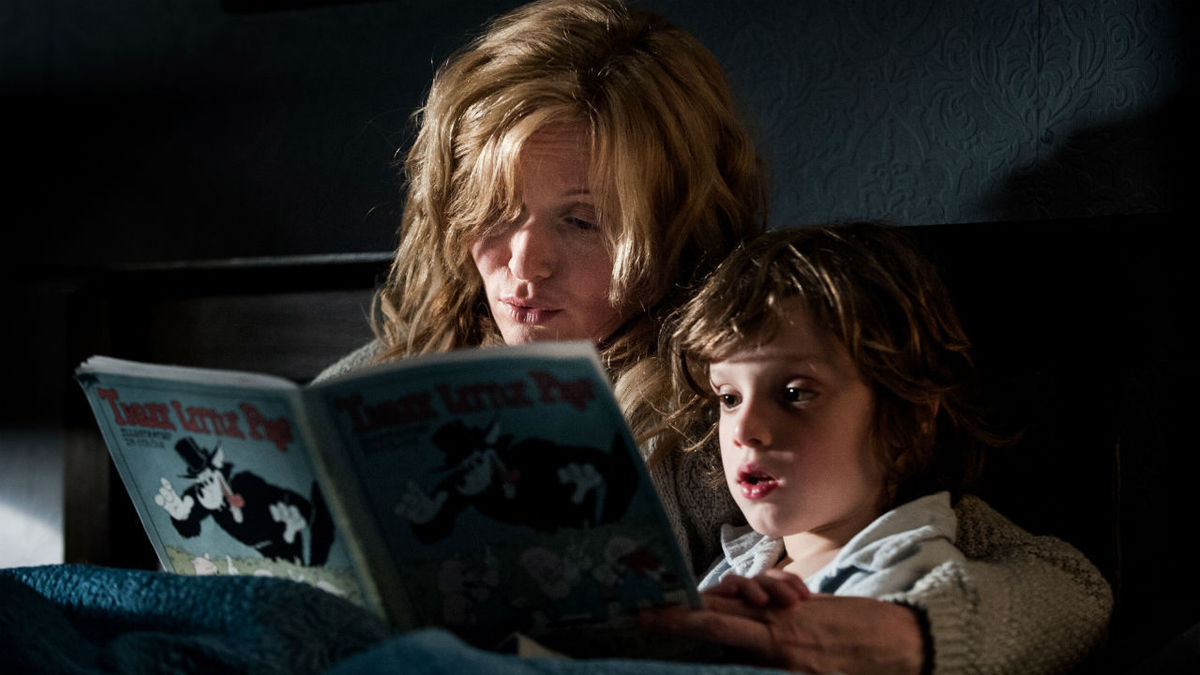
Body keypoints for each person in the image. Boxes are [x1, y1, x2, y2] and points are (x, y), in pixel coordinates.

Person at [317, 1, 1112, 672]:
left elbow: (1066, 584)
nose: (524, 265)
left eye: (583, 221)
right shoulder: (383, 376)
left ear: (675, 231)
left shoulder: (718, 411)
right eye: (495, 212)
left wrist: (912, 635)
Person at [638, 223, 1039, 667]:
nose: (745, 429)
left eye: (794, 394)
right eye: (729, 398)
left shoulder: (912, 584)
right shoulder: (738, 563)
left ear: (907, 424)